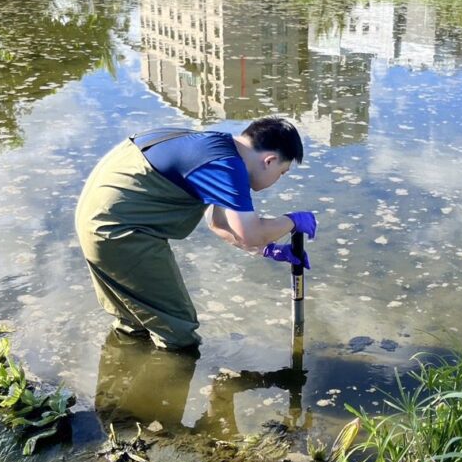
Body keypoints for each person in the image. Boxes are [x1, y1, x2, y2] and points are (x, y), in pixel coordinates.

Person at [75, 117, 317, 350]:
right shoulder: (227, 166)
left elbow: (218, 223)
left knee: (137, 319)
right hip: (119, 231)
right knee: (178, 331)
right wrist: (292, 221)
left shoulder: (214, 147)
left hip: (95, 221)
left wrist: (266, 248)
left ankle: (123, 379)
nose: (278, 179)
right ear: (270, 160)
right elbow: (251, 234)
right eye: (282, 173)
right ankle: (164, 388)